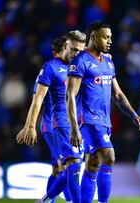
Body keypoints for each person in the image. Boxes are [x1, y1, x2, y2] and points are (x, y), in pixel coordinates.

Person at [66, 21, 140, 203]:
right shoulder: (81, 61)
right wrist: (74, 128)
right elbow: (70, 95)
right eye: (105, 37)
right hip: (87, 120)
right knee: (109, 157)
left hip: (104, 121)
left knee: (93, 164)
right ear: (93, 37)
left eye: (110, 37)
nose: (110, 41)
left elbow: (117, 94)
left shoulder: (109, 63)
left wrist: (133, 114)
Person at [16, 30, 86, 203]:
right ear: (64, 48)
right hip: (56, 124)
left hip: (72, 124)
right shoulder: (51, 67)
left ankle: (48, 200)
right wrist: (30, 126)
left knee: (61, 169)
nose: (75, 53)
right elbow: (37, 99)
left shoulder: (76, 68)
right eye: (72, 49)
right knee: (74, 166)